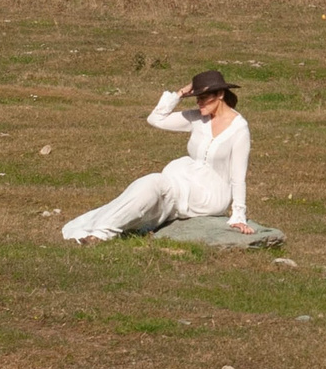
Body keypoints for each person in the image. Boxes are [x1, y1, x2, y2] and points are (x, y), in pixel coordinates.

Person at [61, 70, 253, 244]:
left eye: (203, 98)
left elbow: (238, 177)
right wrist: (180, 94)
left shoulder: (239, 129)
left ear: (220, 95)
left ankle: (104, 231)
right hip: (184, 183)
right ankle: (100, 234)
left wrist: (238, 216)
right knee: (150, 185)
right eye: (196, 97)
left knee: (156, 186)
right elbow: (155, 119)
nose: (198, 102)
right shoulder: (197, 118)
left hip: (210, 196)